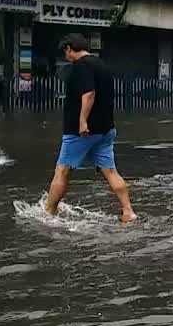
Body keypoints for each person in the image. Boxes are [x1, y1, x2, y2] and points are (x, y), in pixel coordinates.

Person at [45, 34, 136, 223]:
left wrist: (82, 121)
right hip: (106, 129)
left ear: (69, 48)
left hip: (82, 132)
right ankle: (128, 211)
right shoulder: (101, 65)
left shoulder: (82, 66)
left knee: (62, 171)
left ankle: (48, 213)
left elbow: (89, 93)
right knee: (110, 171)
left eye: (66, 52)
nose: (66, 56)